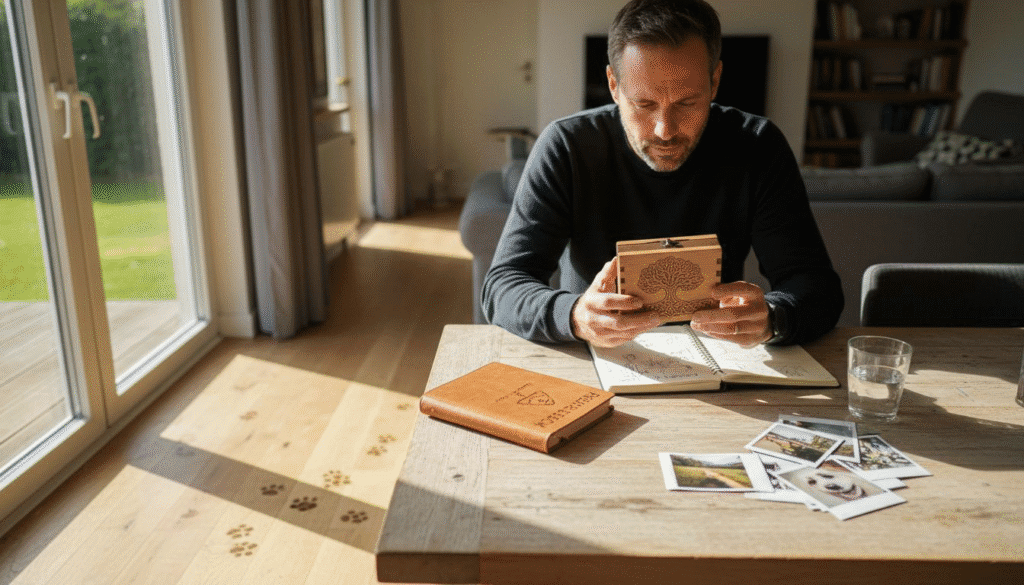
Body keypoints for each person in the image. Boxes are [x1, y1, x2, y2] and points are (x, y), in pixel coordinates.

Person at [482, 0, 842, 348]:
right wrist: (574, 315)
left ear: (715, 81)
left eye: (687, 103)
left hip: (720, 362)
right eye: (644, 104)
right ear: (613, 84)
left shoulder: (757, 146)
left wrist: (774, 318)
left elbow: (817, 288)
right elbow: (502, 287)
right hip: (595, 357)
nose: (665, 130)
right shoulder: (567, 147)